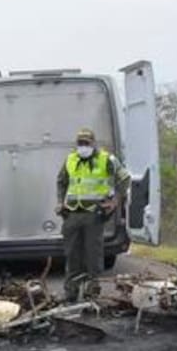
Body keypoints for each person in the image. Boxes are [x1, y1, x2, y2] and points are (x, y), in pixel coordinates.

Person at [55, 127, 131, 300]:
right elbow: (61, 181)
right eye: (80, 143)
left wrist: (115, 201)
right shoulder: (71, 159)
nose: (83, 146)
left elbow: (125, 179)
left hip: (94, 214)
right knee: (72, 253)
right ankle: (71, 291)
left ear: (93, 143)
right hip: (72, 214)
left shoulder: (106, 159)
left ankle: (92, 290)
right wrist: (60, 202)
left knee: (93, 253)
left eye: (86, 143)